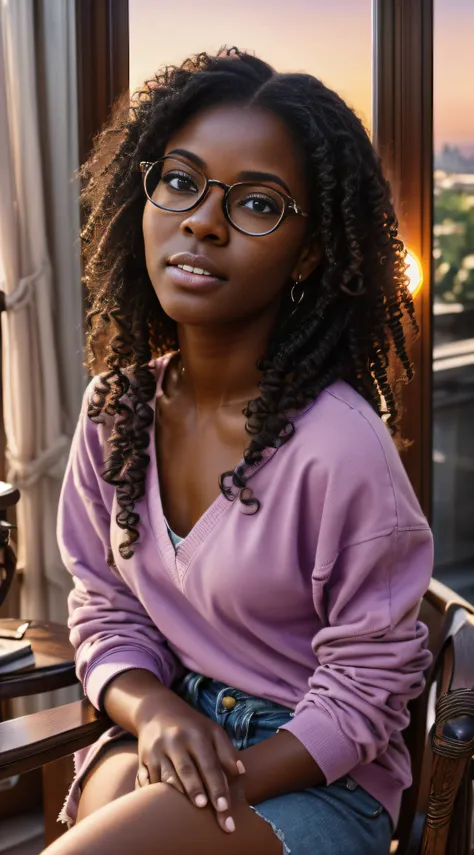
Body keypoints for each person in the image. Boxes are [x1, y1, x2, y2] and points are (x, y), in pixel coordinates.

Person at [44, 46, 433, 855]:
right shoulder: (112, 413)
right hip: (177, 722)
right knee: (98, 814)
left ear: (313, 251)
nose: (203, 220)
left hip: (318, 771)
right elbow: (104, 606)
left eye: (257, 203)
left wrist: (224, 775)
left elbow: (369, 690)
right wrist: (154, 710)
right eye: (180, 181)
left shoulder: (338, 448)